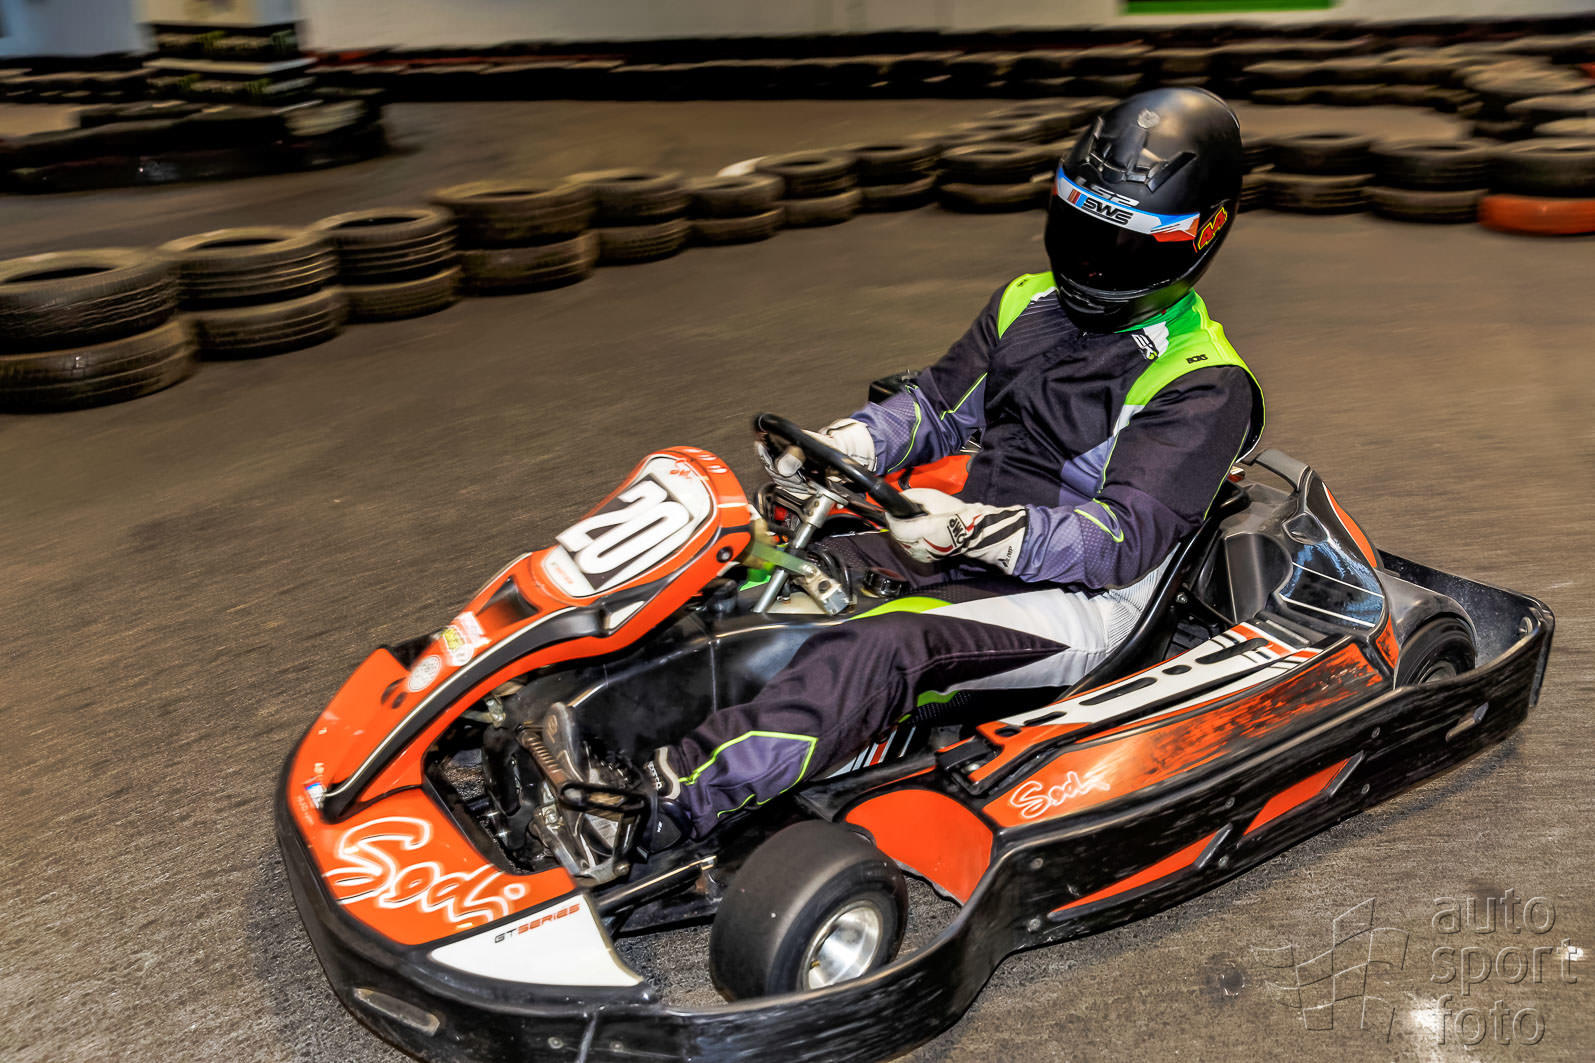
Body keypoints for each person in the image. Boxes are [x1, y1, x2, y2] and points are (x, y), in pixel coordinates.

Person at [542, 87, 1265, 851]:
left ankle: (660, 806)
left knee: (879, 646)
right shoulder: (1027, 303)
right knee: (753, 571)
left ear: (1200, 234)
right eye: (1080, 227)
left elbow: (1117, 541)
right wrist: (849, 443)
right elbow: (932, 408)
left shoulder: (1203, 381)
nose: (1091, 259)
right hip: (966, 547)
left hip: (1079, 601)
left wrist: (971, 529)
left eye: (1122, 242)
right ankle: (591, 705)